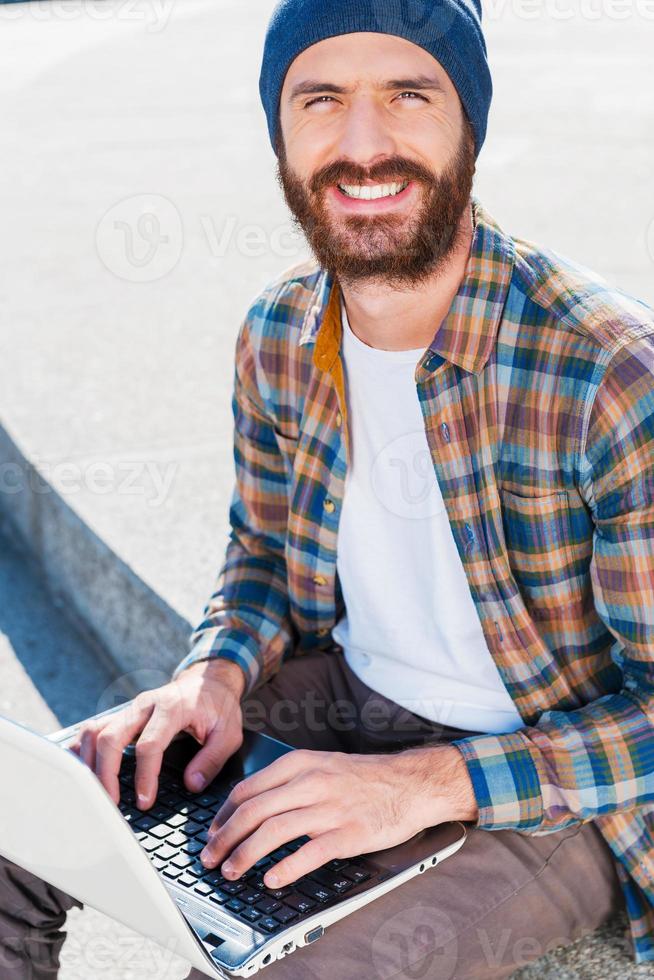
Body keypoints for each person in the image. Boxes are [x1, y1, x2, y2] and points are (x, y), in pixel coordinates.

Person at [1, 0, 652, 977]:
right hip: (346, 698)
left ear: (468, 122)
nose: (362, 144)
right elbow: (259, 551)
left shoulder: (606, 373)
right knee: (26, 820)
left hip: (549, 786)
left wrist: (424, 784)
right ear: (281, 131)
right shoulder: (279, 334)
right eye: (320, 99)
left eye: (407, 93)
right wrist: (213, 675)